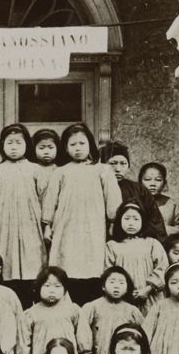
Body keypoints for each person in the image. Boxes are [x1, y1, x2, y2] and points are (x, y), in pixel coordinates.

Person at [42, 123, 122, 304]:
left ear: (90, 145)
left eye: (82, 143)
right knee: (67, 269)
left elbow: (113, 203)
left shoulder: (103, 170)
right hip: (66, 228)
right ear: (66, 148)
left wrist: (113, 222)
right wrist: (47, 226)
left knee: (93, 269)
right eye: (73, 145)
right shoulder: (60, 172)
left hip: (93, 227)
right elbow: (50, 203)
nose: (78, 148)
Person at [0, 123, 47, 305]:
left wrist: (46, 223)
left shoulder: (35, 169)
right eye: (9, 143)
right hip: (3, 225)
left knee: (31, 264)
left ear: (27, 145)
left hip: (30, 224)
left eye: (19, 142)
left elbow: (45, 198)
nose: (14, 147)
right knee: (6, 263)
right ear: (2, 146)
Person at [106, 202, 168, 312]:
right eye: (127, 218)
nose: (131, 223)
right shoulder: (112, 246)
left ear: (143, 221)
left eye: (136, 219)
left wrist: (148, 289)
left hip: (150, 296)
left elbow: (163, 268)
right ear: (120, 220)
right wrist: (123, 291)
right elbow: (108, 272)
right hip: (123, 298)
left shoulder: (152, 244)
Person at [18, 266, 81, 354]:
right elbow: (24, 339)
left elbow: (82, 334)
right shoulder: (31, 313)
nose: (52, 290)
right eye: (47, 286)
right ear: (39, 288)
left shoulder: (73, 310)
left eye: (57, 286)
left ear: (65, 290)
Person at [77, 266, 143, 354]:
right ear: (103, 286)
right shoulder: (92, 307)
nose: (116, 286)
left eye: (121, 283)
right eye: (112, 282)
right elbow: (82, 332)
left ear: (127, 288)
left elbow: (141, 335)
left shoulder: (132, 311)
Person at [101, 141, 166, 241]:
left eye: (123, 163)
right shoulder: (96, 189)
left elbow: (155, 223)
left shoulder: (139, 190)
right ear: (103, 165)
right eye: (112, 163)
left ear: (128, 166)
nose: (118, 169)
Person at [138, 162, 179, 239]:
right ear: (140, 182)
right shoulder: (133, 203)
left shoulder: (173, 205)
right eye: (147, 179)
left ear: (164, 183)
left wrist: (161, 229)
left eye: (158, 180)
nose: (152, 184)